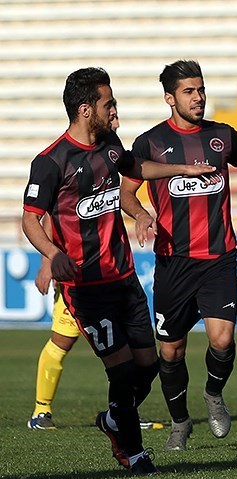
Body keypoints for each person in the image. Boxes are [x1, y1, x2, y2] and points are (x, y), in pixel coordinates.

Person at [22, 67, 218, 475]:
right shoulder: (51, 161)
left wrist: (178, 173)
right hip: (86, 288)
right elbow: (29, 219)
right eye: (108, 103)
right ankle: (132, 452)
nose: (115, 110)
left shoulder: (110, 145)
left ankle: (114, 418)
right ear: (84, 109)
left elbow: (137, 169)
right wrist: (51, 253)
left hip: (124, 278)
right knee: (123, 369)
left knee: (147, 366)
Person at [120, 60, 237, 452]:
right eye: (189, 92)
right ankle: (179, 422)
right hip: (174, 261)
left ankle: (213, 393)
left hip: (219, 257)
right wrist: (142, 215)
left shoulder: (223, 136)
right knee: (171, 350)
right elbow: (125, 194)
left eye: (201, 90)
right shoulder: (149, 143)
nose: (199, 98)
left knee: (221, 340)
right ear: (170, 98)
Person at [26, 113, 162, 432]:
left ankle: (121, 413)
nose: (116, 117)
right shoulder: (60, 160)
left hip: (116, 275)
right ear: (90, 112)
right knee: (62, 340)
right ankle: (41, 411)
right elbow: (51, 213)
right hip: (79, 277)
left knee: (139, 360)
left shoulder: (109, 150)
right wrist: (48, 261)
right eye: (110, 108)